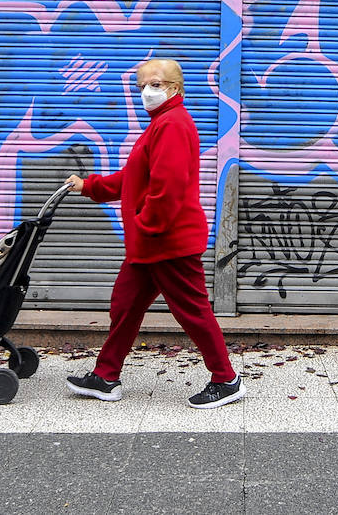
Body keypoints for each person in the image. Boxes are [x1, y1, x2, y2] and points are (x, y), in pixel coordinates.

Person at [64, 57, 242, 409]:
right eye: (141, 85)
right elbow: (133, 178)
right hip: (150, 244)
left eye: (155, 84)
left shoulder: (172, 124)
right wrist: (89, 185)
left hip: (168, 242)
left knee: (192, 311)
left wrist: (147, 225)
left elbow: (168, 188)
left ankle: (226, 379)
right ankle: (105, 376)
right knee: (125, 306)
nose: (147, 91)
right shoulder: (159, 123)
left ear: (175, 88)